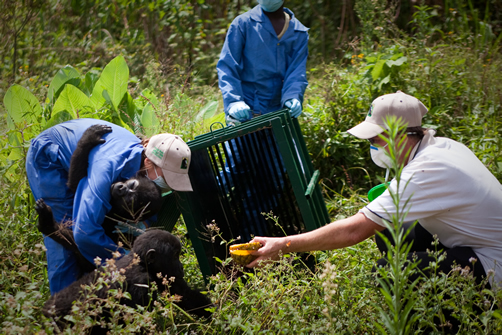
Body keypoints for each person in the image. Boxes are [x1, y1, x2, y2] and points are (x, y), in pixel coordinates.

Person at [247, 91, 502, 289]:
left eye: (374, 140)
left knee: (388, 271)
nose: (371, 147)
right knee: (390, 230)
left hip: (493, 265)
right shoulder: (443, 146)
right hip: (476, 244)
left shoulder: (426, 169)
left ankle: (449, 318)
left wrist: (284, 244)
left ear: (400, 136)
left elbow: (354, 230)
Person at [26, 118, 192, 294]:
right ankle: (63, 312)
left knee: (98, 235)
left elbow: (144, 214)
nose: (167, 184)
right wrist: (132, 265)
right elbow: (84, 233)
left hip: (83, 162)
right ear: (149, 162)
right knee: (65, 237)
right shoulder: (108, 167)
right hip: (51, 157)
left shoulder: (141, 169)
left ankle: (97, 301)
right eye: (167, 177)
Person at [217, 0, 309, 122]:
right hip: (245, 111)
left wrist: (293, 96)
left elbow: (297, 71)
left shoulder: (298, 32)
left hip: (280, 113)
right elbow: (228, 67)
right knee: (246, 141)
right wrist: (234, 101)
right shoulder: (243, 24)